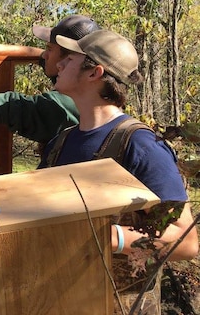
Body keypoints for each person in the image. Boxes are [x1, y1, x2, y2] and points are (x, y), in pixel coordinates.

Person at [39, 29, 198, 313]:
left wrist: (112, 237)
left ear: (94, 73)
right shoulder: (60, 142)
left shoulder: (140, 145)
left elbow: (184, 241)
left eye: (70, 58)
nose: (59, 64)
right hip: (62, 300)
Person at [0, 15, 101, 144]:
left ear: (68, 59)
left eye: (49, 49)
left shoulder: (60, 107)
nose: (45, 55)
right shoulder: (89, 85)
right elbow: (38, 55)